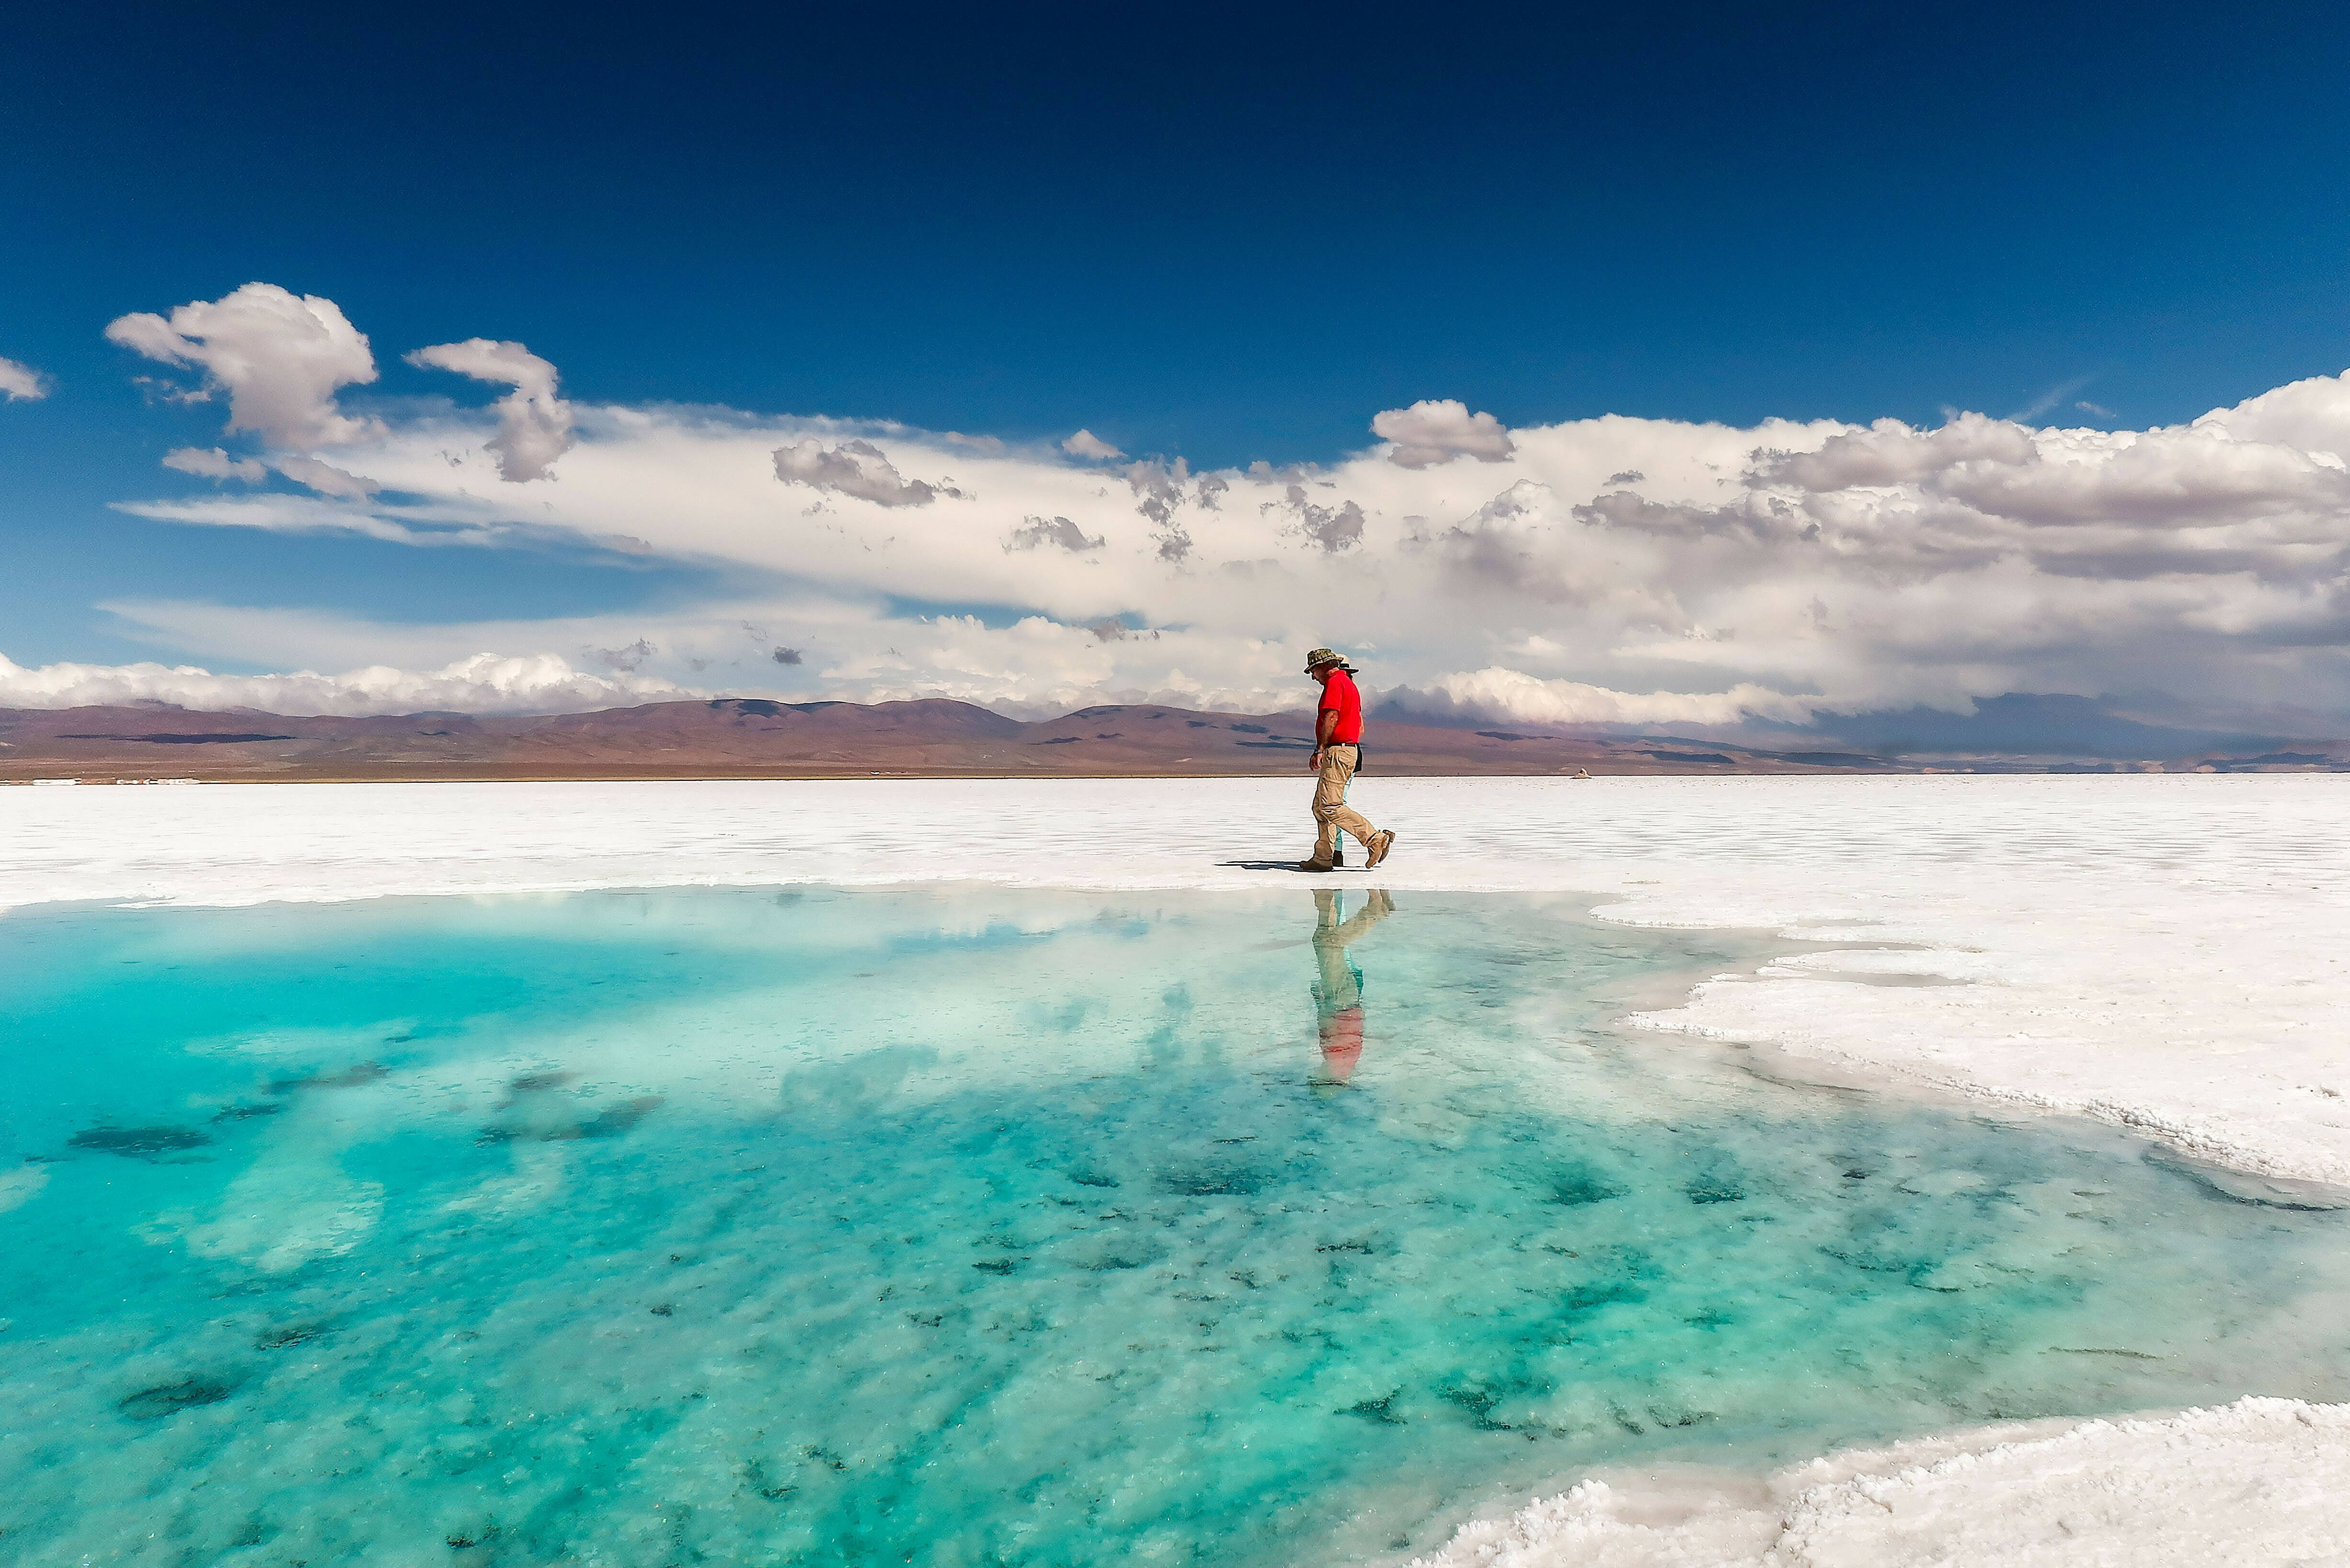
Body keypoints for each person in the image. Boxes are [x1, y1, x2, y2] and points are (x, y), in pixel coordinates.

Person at [1298, 647, 1395, 873]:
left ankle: (1374, 839)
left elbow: (1332, 716)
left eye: (1314, 671)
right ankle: (1323, 858)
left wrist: (1320, 748)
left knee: (1331, 806)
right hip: (1346, 750)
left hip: (1338, 751)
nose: (1314, 677)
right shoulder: (1349, 684)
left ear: (1324, 667)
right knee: (1320, 806)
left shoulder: (1335, 684)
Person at [1310, 887, 1394, 1087]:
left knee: (1323, 937)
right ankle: (1375, 912)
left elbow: (1340, 1030)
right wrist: (1324, 1001)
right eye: (1316, 1079)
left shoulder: (1343, 1063)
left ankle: (1326, 896)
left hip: (1344, 999)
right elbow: (1335, 1027)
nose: (1314, 1074)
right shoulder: (1336, 1062)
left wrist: (1320, 1000)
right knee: (1327, 944)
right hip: (1340, 1000)